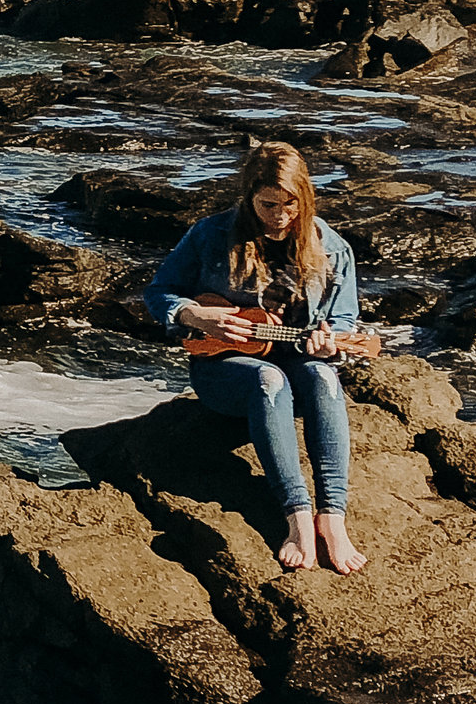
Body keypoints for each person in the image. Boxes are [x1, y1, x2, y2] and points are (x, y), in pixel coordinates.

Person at [142, 141, 366, 575]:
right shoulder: (209, 235)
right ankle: (298, 516)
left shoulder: (332, 247)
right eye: (267, 205)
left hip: (296, 365)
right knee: (269, 380)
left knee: (321, 376)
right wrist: (196, 314)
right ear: (248, 197)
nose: (280, 216)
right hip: (225, 371)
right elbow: (158, 293)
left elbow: (344, 320)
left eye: (290, 205)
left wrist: (332, 341)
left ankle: (333, 518)